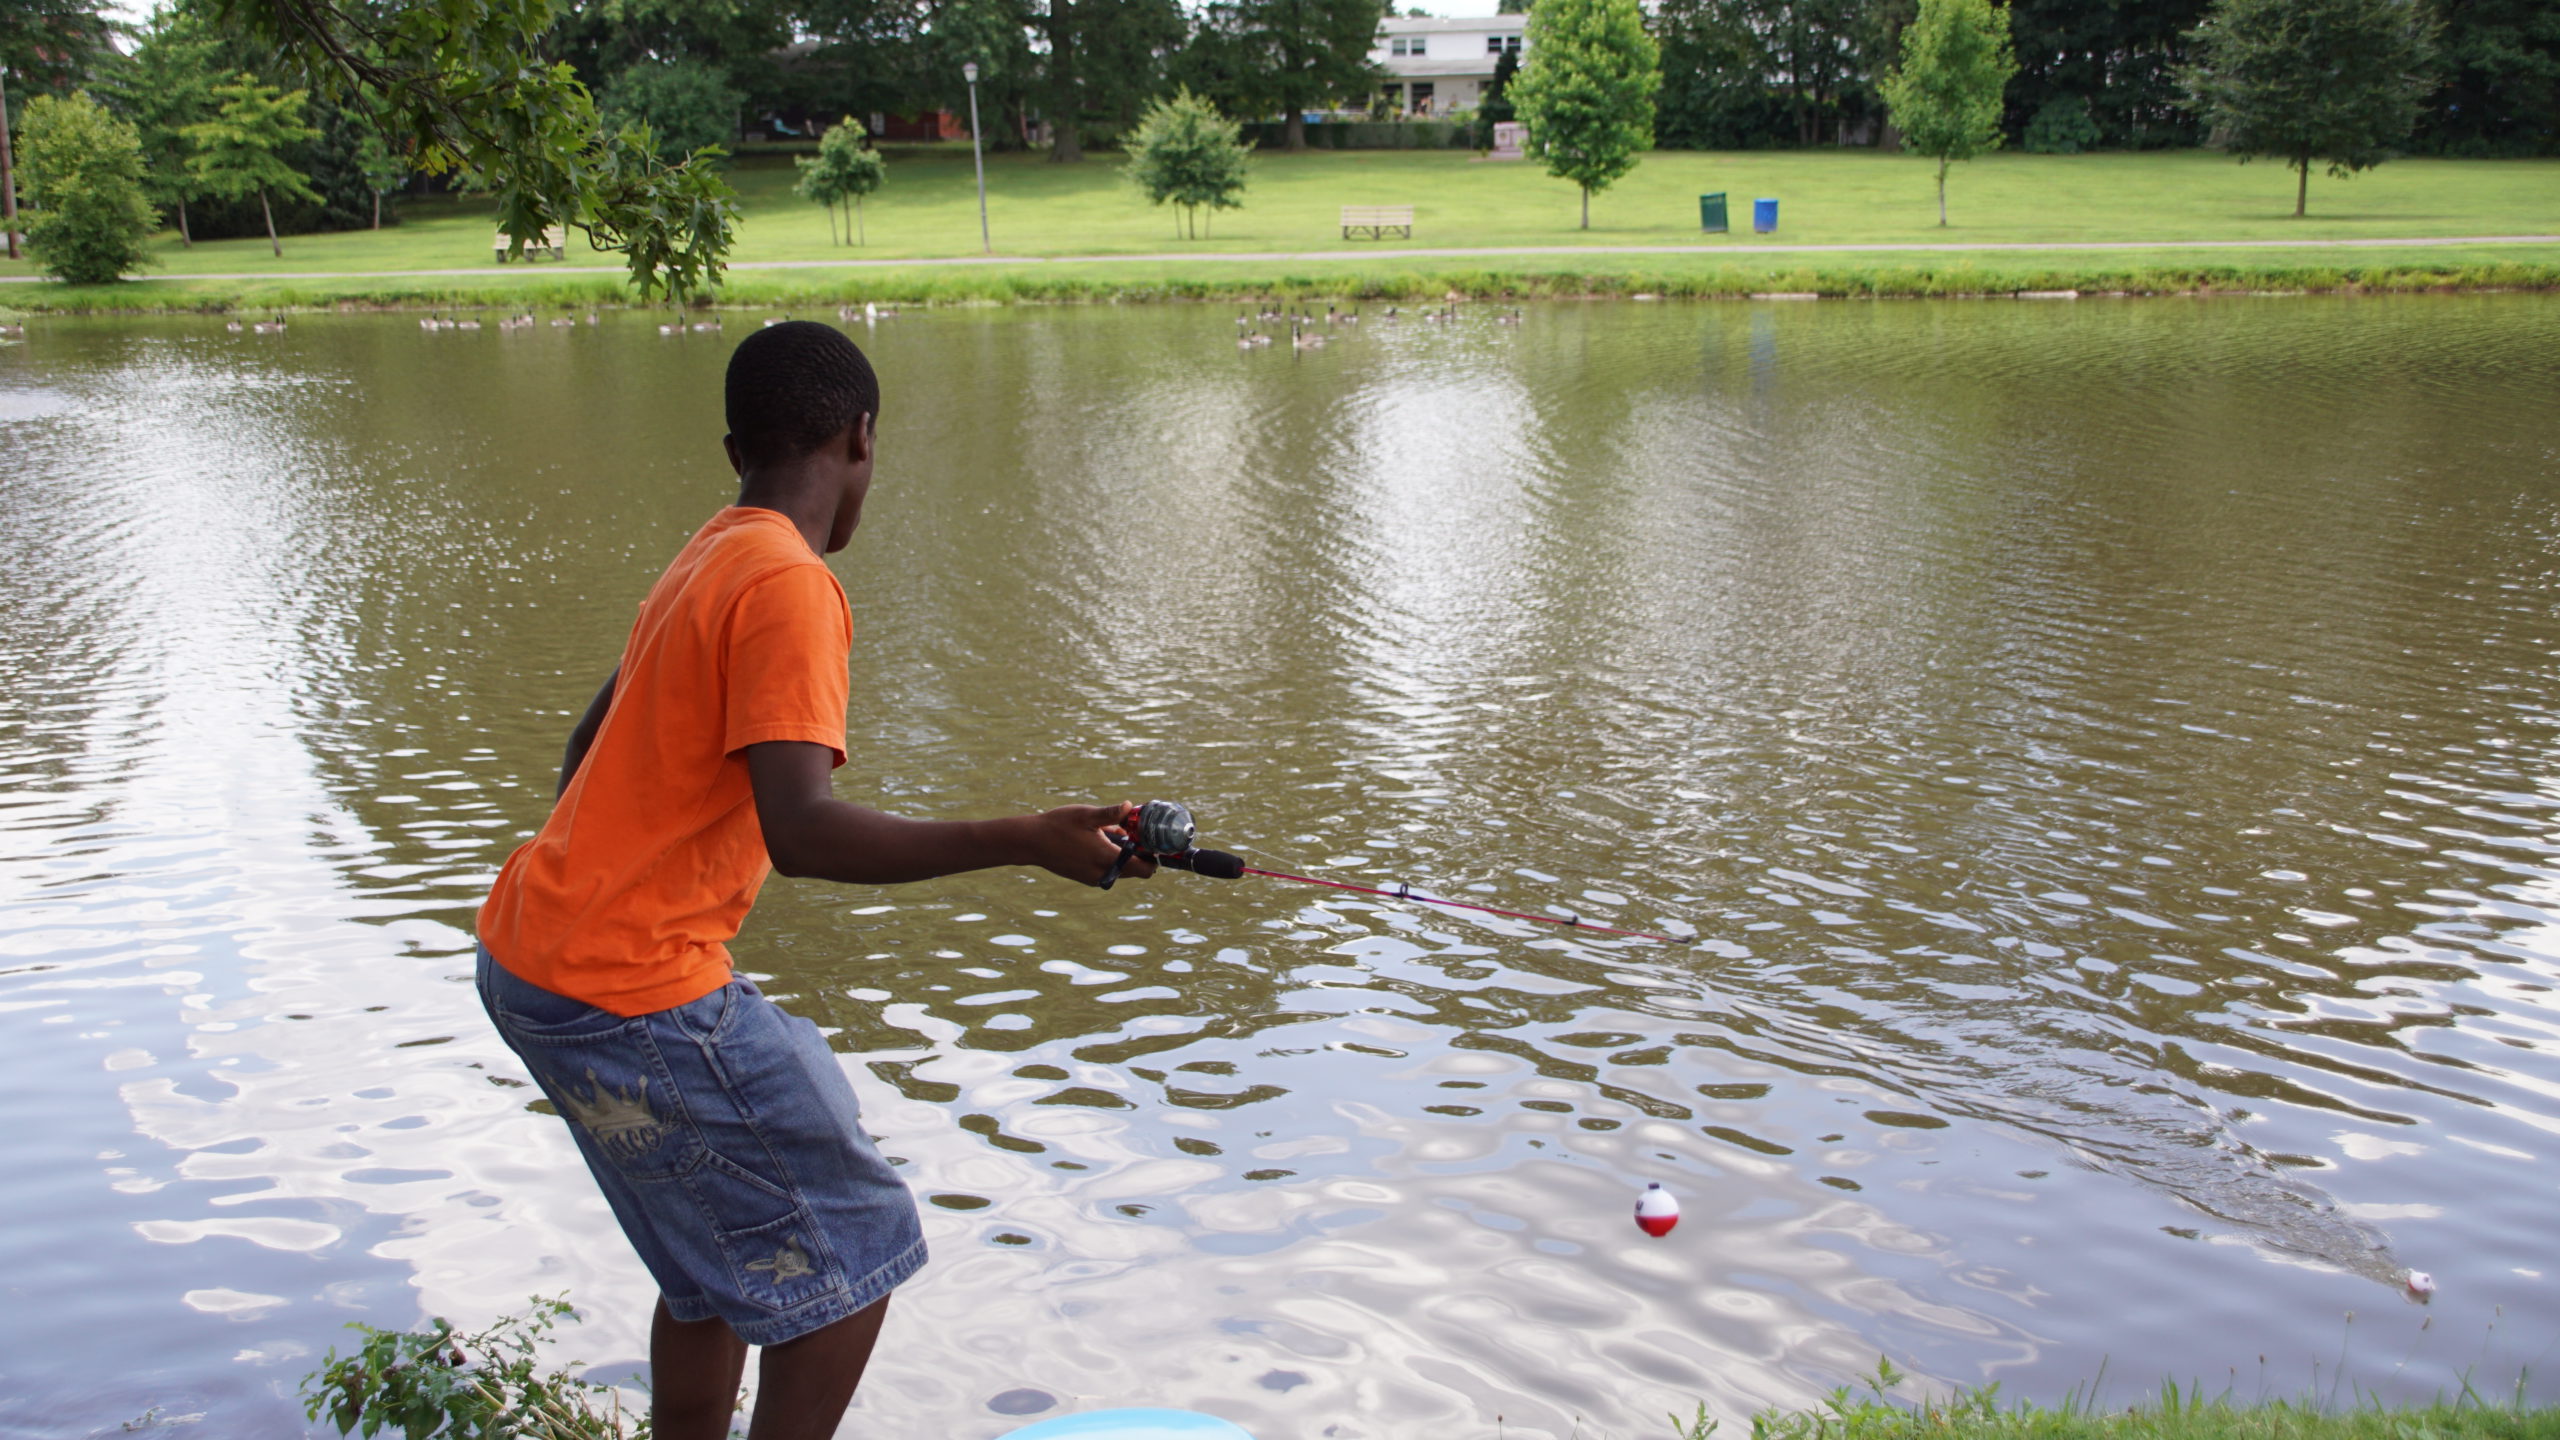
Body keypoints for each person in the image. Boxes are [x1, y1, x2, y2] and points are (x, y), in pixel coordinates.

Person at [473, 321, 1154, 1440]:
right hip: (628, 985)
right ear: (861, 437)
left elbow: (587, 742)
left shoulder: (712, 549)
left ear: (733, 449)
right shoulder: (791, 583)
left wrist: (601, 874)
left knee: (717, 1268)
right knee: (855, 1246)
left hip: (530, 956)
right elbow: (803, 832)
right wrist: (1025, 837)